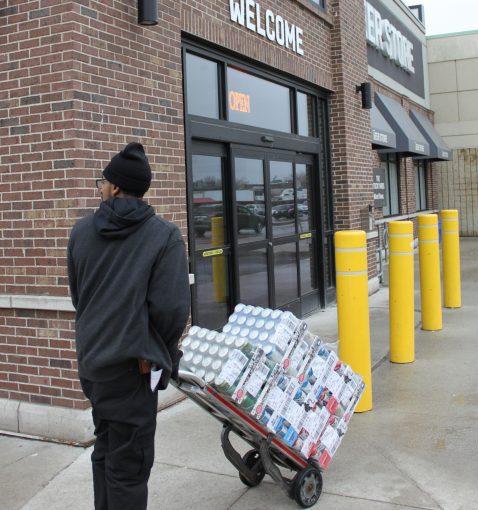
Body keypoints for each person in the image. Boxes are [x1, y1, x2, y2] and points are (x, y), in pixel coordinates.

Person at [67, 142, 190, 510]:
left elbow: (79, 296)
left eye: (101, 182)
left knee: (105, 450)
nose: (100, 189)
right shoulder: (162, 236)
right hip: (133, 371)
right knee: (129, 468)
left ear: (116, 187)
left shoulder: (81, 231)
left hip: (94, 368)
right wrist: (164, 354)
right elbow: (171, 308)